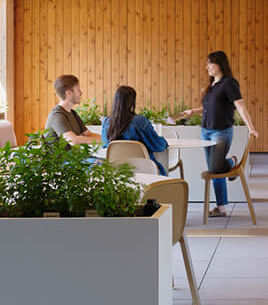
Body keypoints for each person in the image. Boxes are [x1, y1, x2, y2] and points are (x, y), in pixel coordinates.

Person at [178, 50, 258, 218]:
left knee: (215, 167)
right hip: (206, 132)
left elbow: (240, 105)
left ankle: (231, 161)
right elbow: (210, 108)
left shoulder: (229, 83)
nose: (207, 67)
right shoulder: (212, 86)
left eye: (210, 63)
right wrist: (193, 111)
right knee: (214, 171)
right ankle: (221, 207)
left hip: (221, 132)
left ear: (220, 64)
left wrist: (250, 126)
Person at [101, 84, 170, 175]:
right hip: (145, 170)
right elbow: (158, 146)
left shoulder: (107, 122)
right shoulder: (140, 121)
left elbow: (105, 144)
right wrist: (164, 141)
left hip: (117, 172)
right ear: (132, 101)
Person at [44, 74, 101, 148]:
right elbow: (73, 141)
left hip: (73, 158)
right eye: (78, 90)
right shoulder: (57, 115)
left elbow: (88, 134)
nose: (81, 93)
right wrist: (104, 141)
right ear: (69, 93)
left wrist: (110, 139)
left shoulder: (73, 113)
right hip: (60, 159)